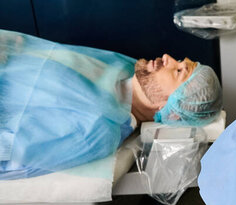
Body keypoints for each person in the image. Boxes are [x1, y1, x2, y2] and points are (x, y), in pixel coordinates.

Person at [0, 29, 222, 180]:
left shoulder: (98, 130)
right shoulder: (122, 67)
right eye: (180, 61)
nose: (168, 58)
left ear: (170, 110)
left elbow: (11, 147)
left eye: (178, 71)